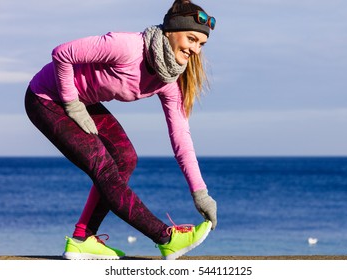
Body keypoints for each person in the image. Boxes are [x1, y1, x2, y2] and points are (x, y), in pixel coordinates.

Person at [24, 0, 217, 260]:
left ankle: (83, 238)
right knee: (104, 169)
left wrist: (200, 193)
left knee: (125, 159)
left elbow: (181, 136)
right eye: (191, 39)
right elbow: (62, 53)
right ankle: (166, 238)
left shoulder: (168, 82)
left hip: (83, 102)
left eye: (201, 44)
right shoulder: (128, 47)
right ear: (171, 31)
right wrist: (72, 104)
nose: (195, 49)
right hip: (46, 98)